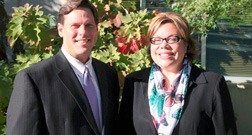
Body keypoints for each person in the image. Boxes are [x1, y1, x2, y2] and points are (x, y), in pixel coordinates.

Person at [7, 0, 120, 134]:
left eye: (89, 25)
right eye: (75, 26)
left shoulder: (108, 75)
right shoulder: (34, 79)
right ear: (61, 30)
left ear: (96, 30)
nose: (83, 32)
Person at [118, 12, 237, 135]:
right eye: (157, 40)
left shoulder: (211, 85)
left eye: (172, 39)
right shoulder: (134, 83)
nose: (164, 45)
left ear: (186, 45)